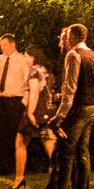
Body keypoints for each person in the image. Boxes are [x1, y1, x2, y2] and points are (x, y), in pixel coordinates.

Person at [32, 23, 94, 189]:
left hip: (76, 110)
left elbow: (70, 89)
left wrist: (59, 116)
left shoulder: (73, 55)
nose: (64, 40)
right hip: (90, 108)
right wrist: (92, 104)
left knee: (65, 156)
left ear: (73, 37)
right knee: (83, 155)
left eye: (67, 36)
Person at [0, 33, 32, 189]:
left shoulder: (22, 61)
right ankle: (1, 166)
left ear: (12, 44)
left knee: (14, 134)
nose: (2, 47)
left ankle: (14, 167)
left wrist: (24, 102)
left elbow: (27, 82)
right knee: (1, 133)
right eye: (1, 45)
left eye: (5, 44)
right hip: (1, 99)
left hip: (15, 100)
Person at [22, 44, 57, 175]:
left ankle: (56, 168)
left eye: (26, 56)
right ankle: (57, 167)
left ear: (33, 57)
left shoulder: (33, 71)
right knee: (48, 138)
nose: (24, 59)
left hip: (39, 109)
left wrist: (30, 112)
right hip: (49, 108)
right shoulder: (45, 70)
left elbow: (34, 92)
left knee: (22, 140)